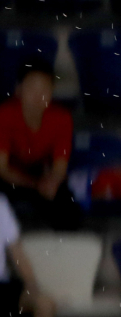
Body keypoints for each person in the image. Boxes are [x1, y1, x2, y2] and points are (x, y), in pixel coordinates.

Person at [0, 58, 81, 231]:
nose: (39, 96)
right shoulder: (4, 115)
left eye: (44, 89)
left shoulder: (62, 119)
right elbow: (2, 168)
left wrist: (51, 182)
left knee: (68, 205)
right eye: (32, 89)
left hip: (41, 174)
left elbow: (60, 167)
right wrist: (35, 184)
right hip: (10, 178)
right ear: (19, 89)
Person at [0, 195, 56, 317]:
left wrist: (31, 285)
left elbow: (17, 252)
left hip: (4, 286)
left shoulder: (1, 203)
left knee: (45, 305)